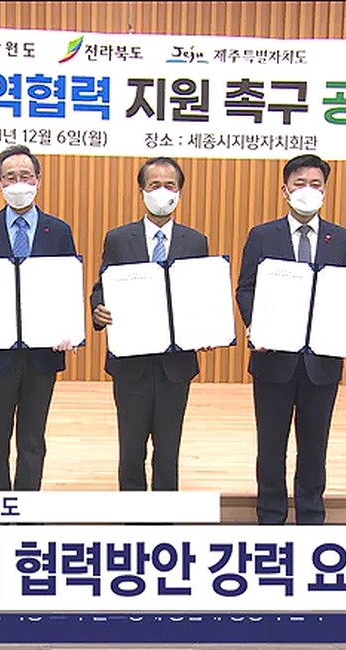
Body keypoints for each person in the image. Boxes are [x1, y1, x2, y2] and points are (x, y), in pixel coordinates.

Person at [235, 154, 346, 525]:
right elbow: (246, 289)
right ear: (285, 190)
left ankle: (311, 516)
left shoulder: (342, 239)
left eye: (315, 184)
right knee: (271, 446)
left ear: (325, 191)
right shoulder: (262, 235)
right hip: (273, 359)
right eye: (300, 183)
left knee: (314, 447)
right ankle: (270, 515)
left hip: (322, 363)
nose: (308, 190)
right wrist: (256, 325)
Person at [90, 157, 209, 491]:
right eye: (154, 185)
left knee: (168, 451)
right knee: (131, 450)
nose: (162, 192)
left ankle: (164, 516)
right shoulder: (118, 238)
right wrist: (98, 308)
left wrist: (207, 327)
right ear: (142, 190)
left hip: (175, 364)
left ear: (180, 192)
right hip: (131, 362)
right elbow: (102, 286)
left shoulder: (195, 241)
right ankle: (133, 516)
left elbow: (202, 293)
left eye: (170, 185)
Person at [0, 145, 77, 491]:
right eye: (10, 177)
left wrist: (68, 330)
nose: (18, 183)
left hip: (42, 354)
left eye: (25, 176)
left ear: (38, 180)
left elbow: (67, 288)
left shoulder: (59, 231)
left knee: (32, 440)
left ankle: (28, 507)